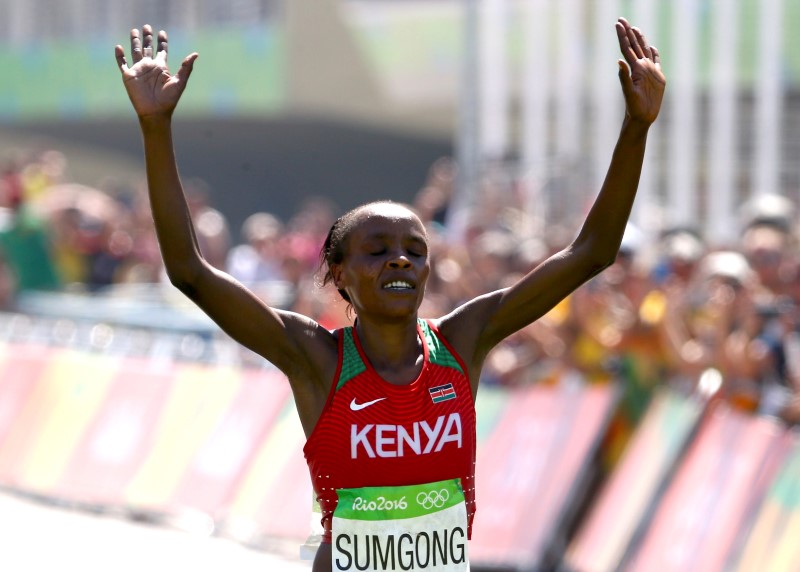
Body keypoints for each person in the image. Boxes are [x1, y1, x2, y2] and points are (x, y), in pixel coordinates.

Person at [114, 17, 664, 572]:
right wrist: (155, 130)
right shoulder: (316, 358)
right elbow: (189, 271)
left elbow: (591, 252)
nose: (399, 258)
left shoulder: (464, 341)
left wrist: (637, 127)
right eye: (376, 250)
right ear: (339, 273)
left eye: (414, 249)